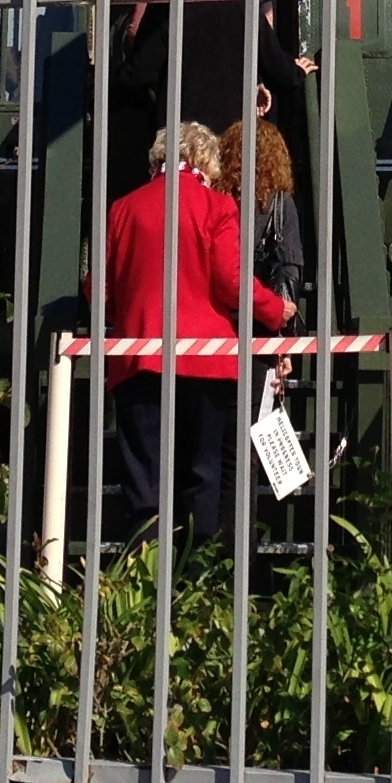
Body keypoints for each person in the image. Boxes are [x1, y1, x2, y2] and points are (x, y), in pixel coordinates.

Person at [97, 120, 293, 539]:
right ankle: (197, 565)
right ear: (205, 160)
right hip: (207, 360)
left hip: (139, 356)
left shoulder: (123, 208)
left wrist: (128, 310)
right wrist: (276, 310)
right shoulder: (218, 208)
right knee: (202, 471)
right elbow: (230, 280)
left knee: (144, 477)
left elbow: (100, 290)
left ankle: (145, 563)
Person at [219, 118, 306, 322]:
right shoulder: (280, 202)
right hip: (263, 317)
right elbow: (289, 266)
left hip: (220, 315)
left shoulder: (215, 199)